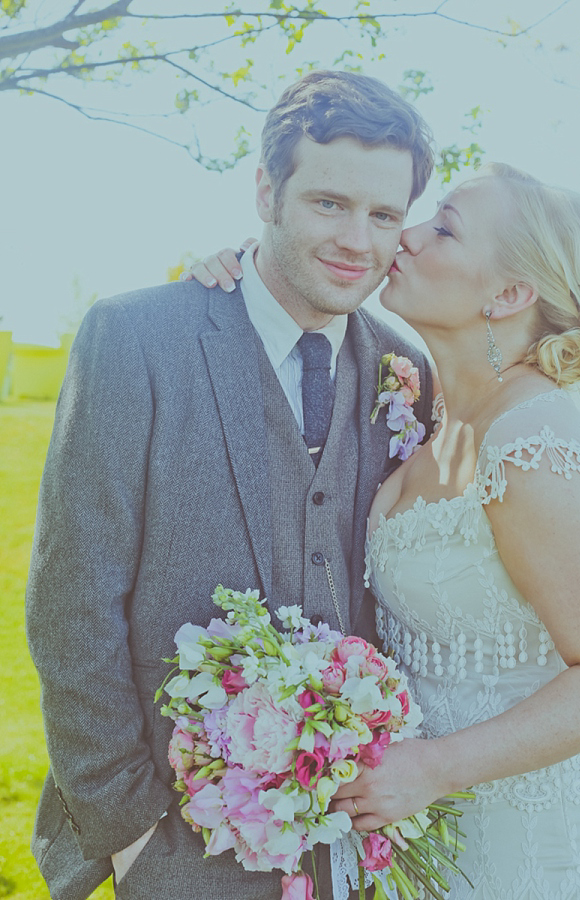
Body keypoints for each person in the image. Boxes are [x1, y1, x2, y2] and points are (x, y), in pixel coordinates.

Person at [25, 71, 437, 900]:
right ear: (265, 191)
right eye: (329, 203)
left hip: (348, 845)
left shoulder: (407, 369)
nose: (358, 239)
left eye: (384, 214)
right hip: (172, 841)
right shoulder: (134, 337)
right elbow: (73, 606)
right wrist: (132, 834)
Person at [196, 162, 580, 896]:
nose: (405, 235)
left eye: (442, 228)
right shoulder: (424, 407)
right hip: (421, 837)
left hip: (521, 845)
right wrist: (244, 276)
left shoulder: (534, 443)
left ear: (509, 294)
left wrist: (438, 768)